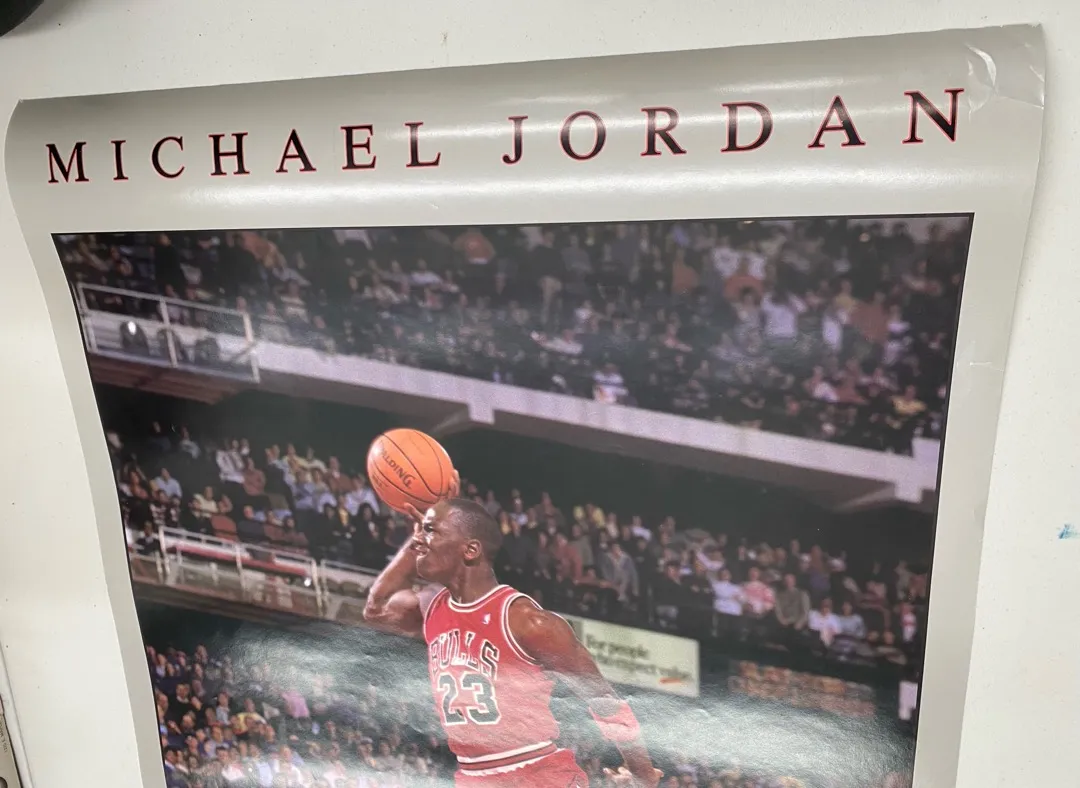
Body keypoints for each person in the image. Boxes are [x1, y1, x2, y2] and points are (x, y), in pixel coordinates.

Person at [363, 472, 661, 788]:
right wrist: (415, 544)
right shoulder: (431, 605)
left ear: (470, 550)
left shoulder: (526, 621)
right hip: (473, 777)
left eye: (431, 531)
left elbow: (604, 699)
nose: (419, 539)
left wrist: (641, 773)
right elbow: (376, 610)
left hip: (537, 774)